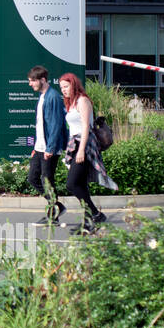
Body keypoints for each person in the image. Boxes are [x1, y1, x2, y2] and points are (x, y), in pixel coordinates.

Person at [58, 72, 115, 234]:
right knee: (80, 183)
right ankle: (88, 220)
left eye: (66, 86)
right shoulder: (72, 103)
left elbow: (85, 127)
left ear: (74, 84)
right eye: (61, 87)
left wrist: (81, 150)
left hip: (85, 144)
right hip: (75, 144)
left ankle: (96, 214)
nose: (64, 90)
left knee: (72, 184)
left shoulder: (83, 101)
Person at [26, 66, 67, 227]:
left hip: (50, 147)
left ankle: (53, 215)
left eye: (32, 81)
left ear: (42, 80)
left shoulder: (53, 97)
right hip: (41, 147)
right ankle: (57, 207)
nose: (30, 84)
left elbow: (56, 125)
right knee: (33, 178)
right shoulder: (43, 96)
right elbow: (41, 124)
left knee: (47, 180)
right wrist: (37, 147)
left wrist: (50, 148)